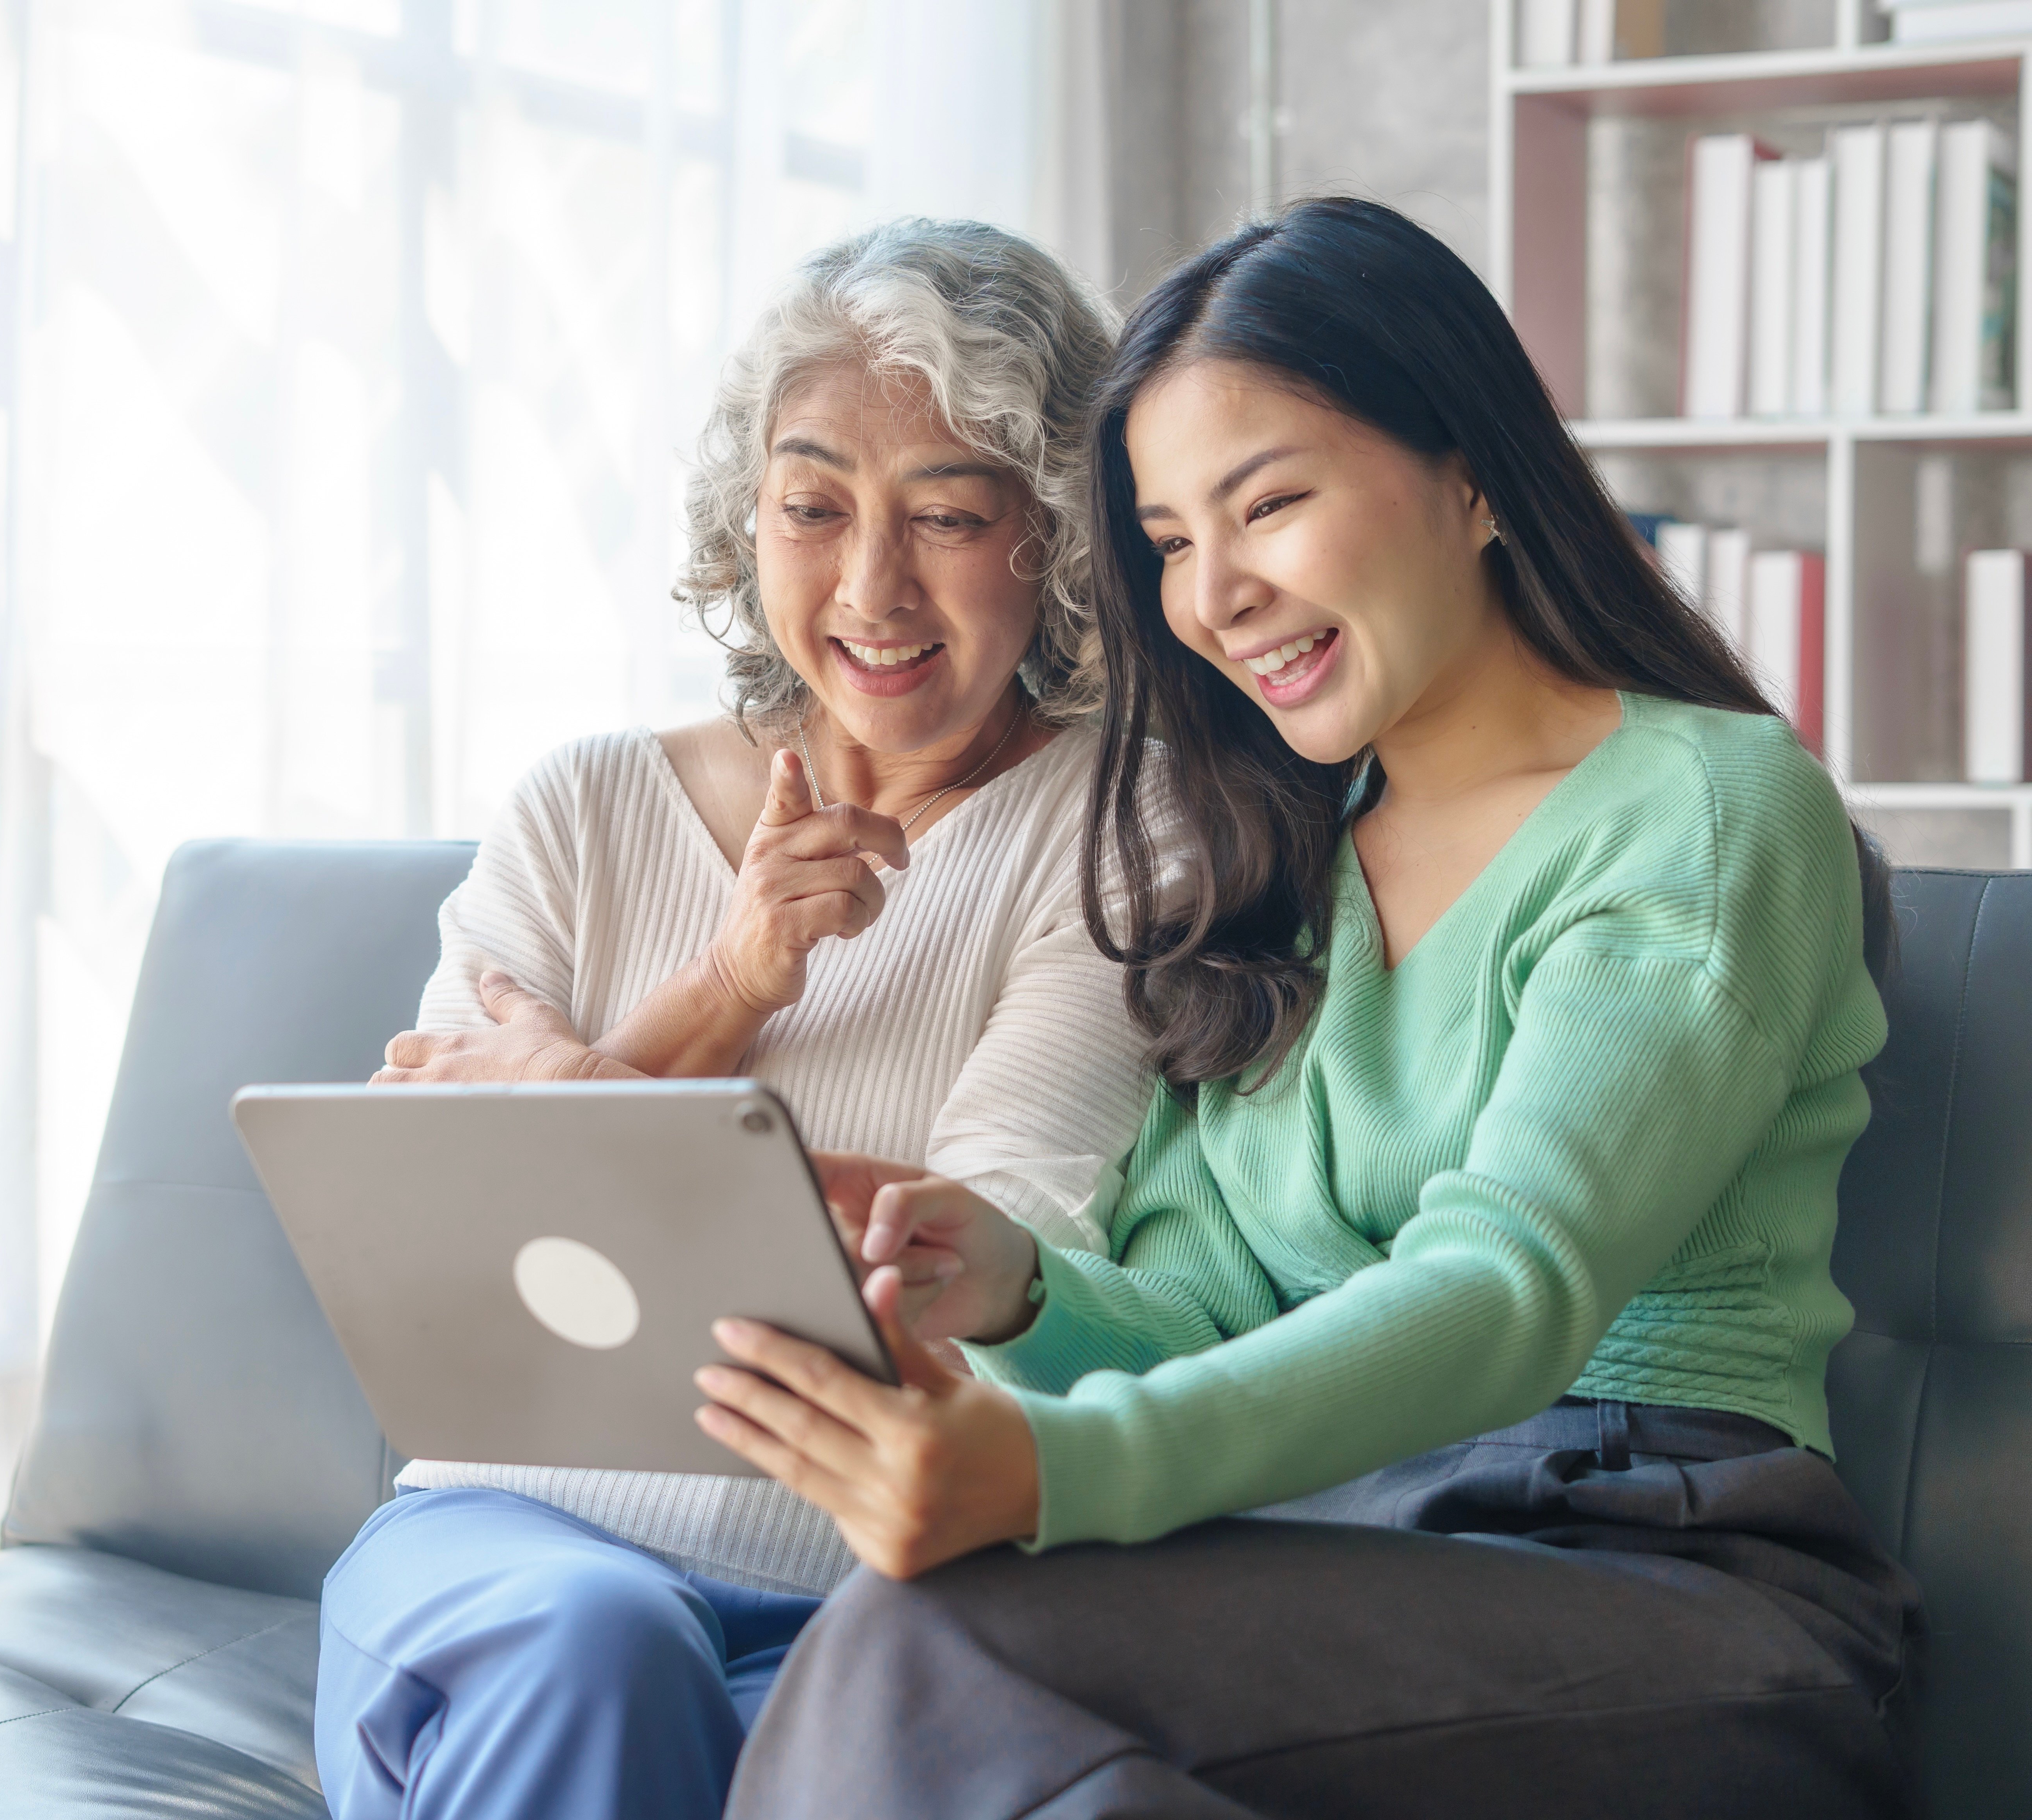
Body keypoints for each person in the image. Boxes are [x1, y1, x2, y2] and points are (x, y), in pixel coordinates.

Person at [698, 197, 1920, 1820]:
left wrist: (1064, 1469)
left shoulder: (1700, 812)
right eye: (1171, 543)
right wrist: (1010, 1291)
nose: (1216, 597)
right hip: (1346, 1548)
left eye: (1266, 503)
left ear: (1470, 470)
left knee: (919, 1650)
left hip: (1668, 1572)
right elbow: (1203, 1289)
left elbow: (1506, 1284)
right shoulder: (1285, 860)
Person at [313, 219, 1153, 1820]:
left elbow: (958, 1255)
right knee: (597, 1639)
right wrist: (731, 983)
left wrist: (566, 1080)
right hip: (502, 1553)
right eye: (811, 506)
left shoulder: (1111, 838)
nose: (869, 587)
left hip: (862, 1585)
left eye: (951, 516)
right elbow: (428, 1244)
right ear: (747, 518)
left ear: (1051, 534)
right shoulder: (580, 805)